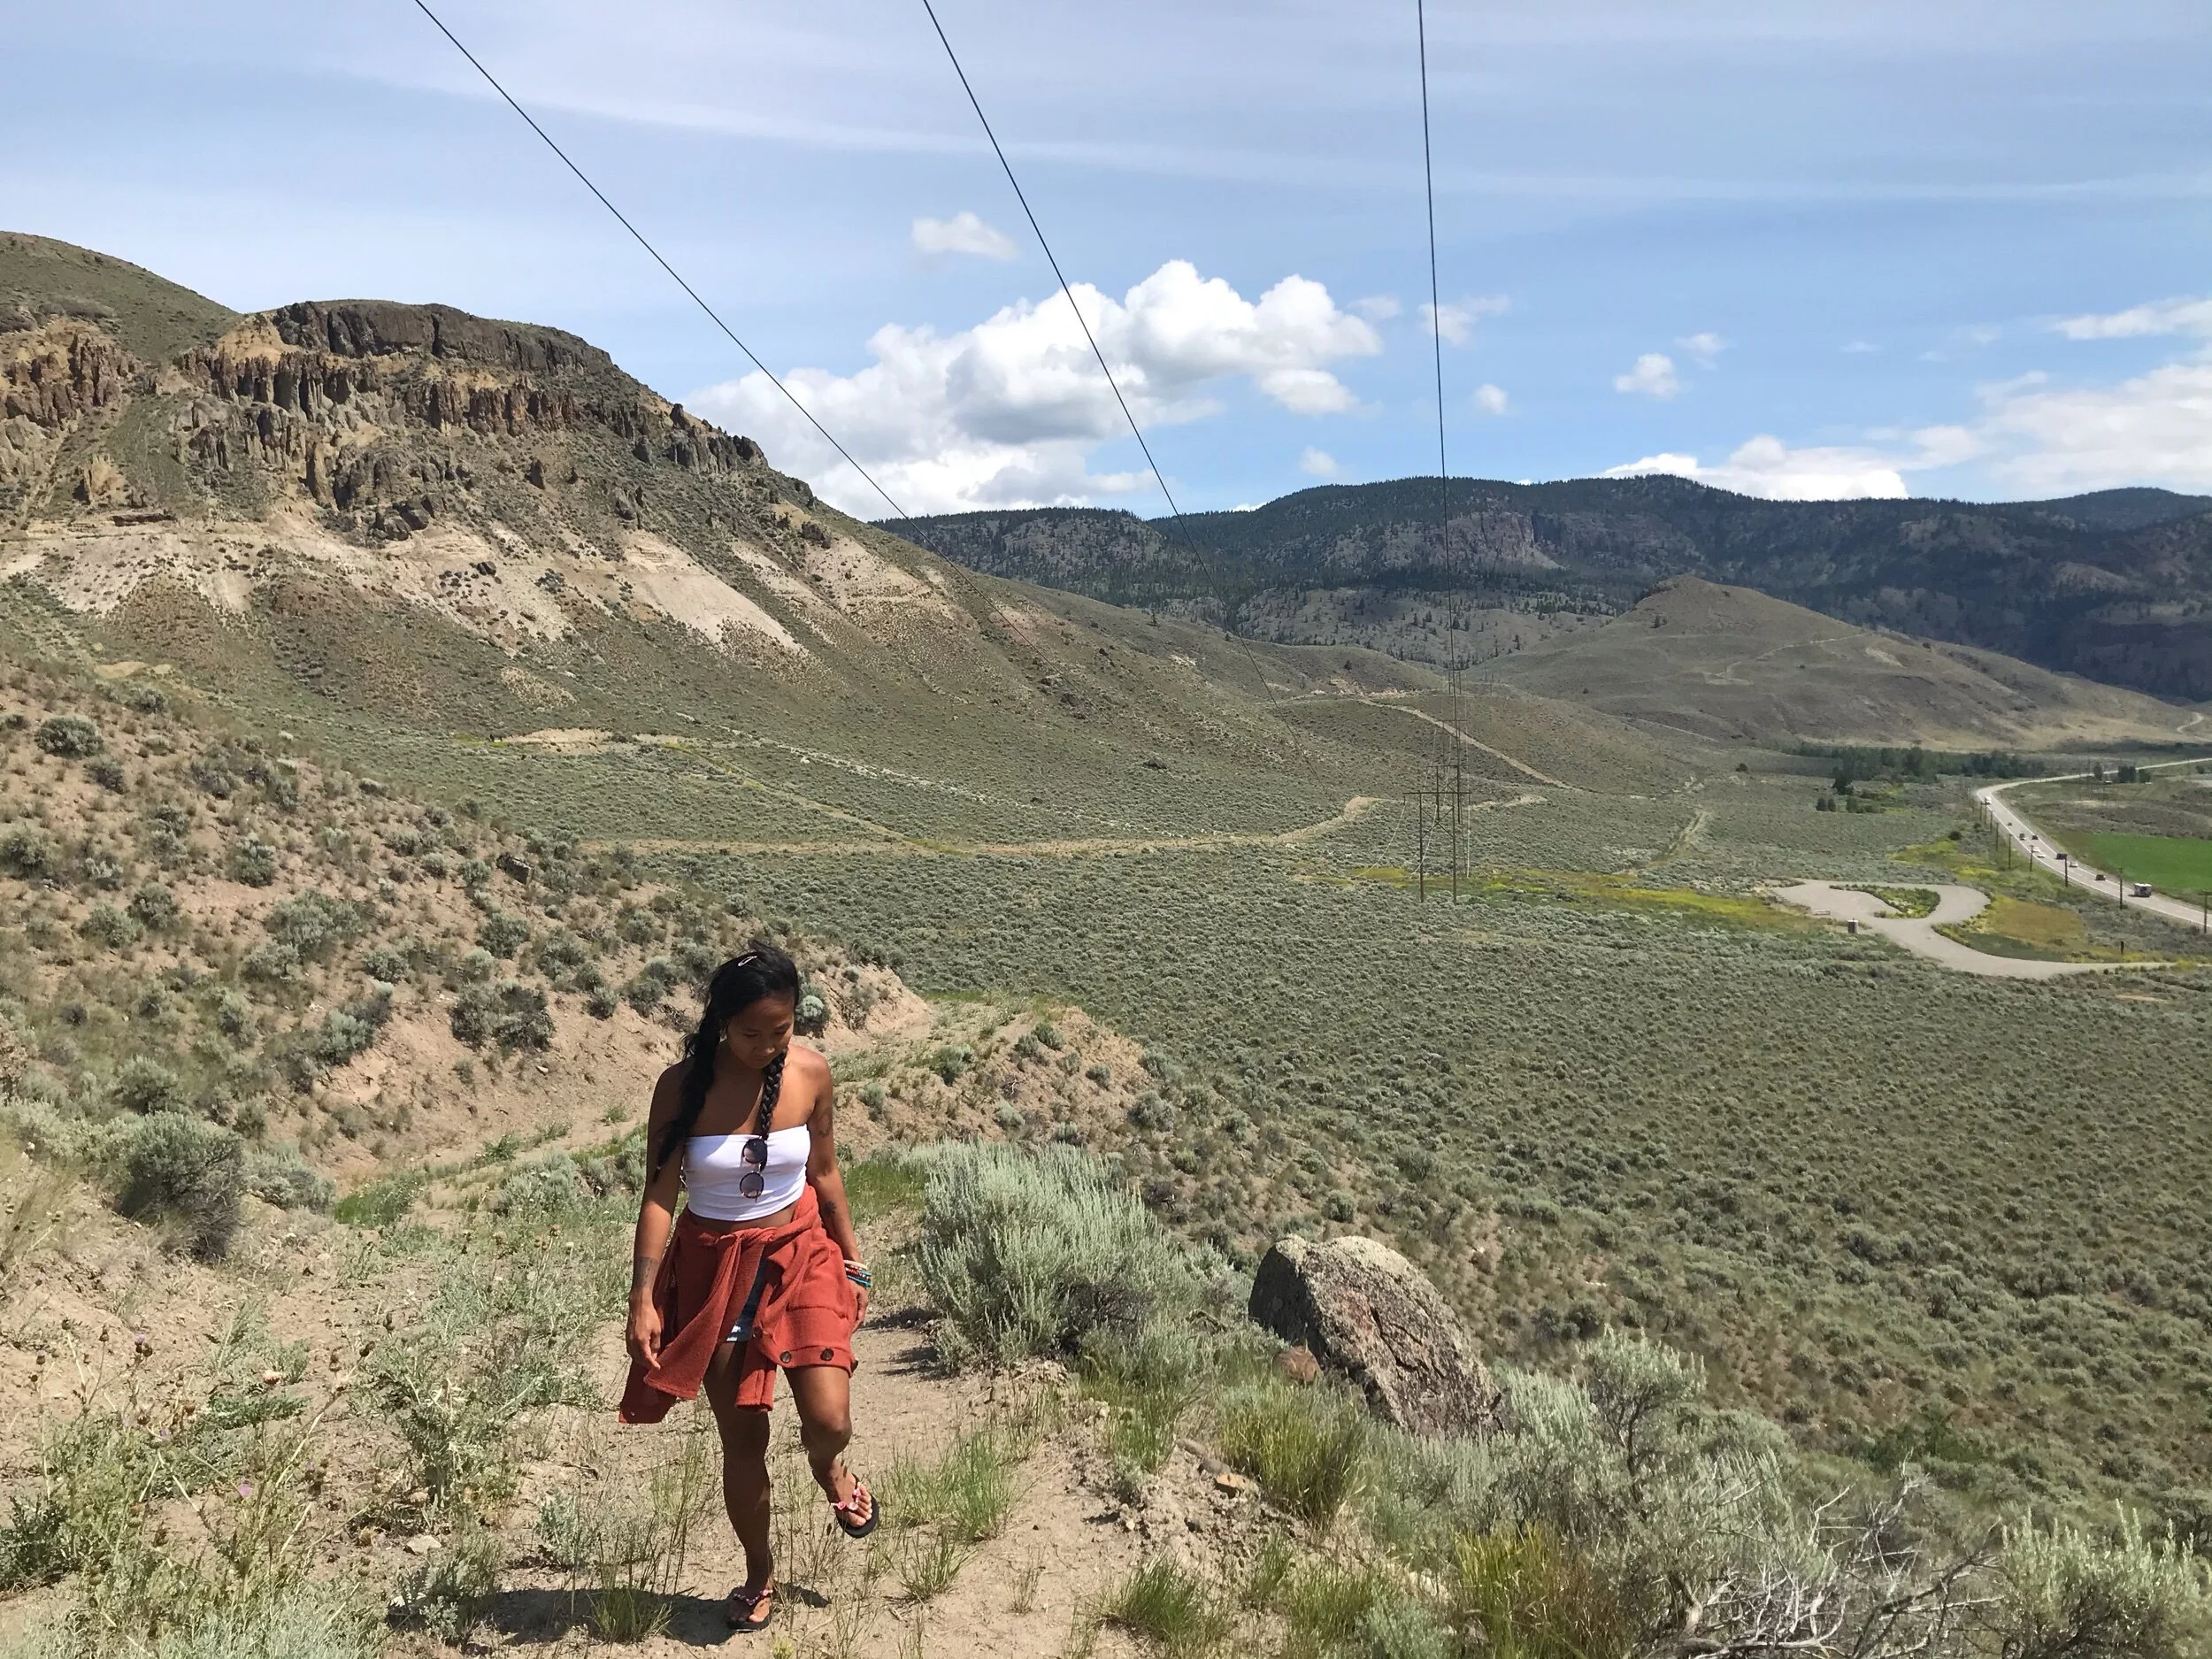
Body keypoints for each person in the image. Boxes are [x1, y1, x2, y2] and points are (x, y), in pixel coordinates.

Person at [618, 942, 876, 1633]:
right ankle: (759, 1570)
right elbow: (659, 1196)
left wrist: (852, 1257)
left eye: (782, 1030)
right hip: (715, 1267)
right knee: (744, 1434)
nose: (767, 1046)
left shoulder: (812, 1072)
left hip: (801, 1251)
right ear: (720, 1022)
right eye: (752, 1032)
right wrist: (643, 1297)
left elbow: (824, 1172)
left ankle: (831, 1470)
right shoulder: (681, 1086)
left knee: (830, 1418)